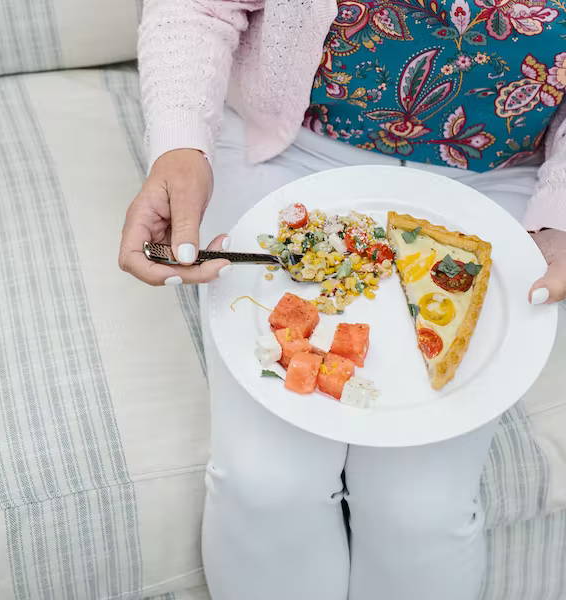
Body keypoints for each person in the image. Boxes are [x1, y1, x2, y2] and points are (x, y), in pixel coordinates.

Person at [119, 2, 566, 599]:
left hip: (499, 184)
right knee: (266, 484)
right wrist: (179, 147)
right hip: (286, 151)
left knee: (421, 510)